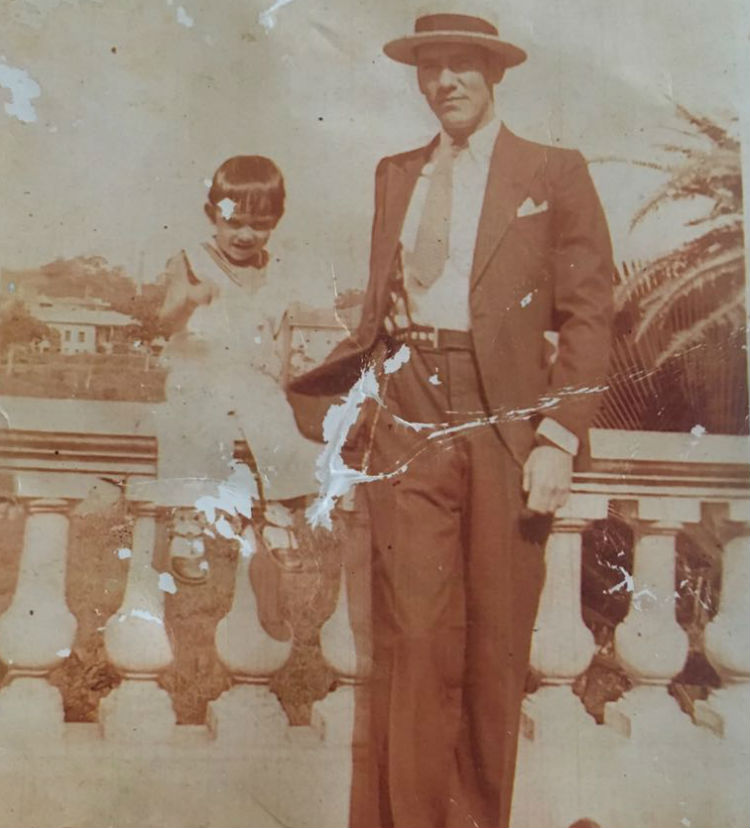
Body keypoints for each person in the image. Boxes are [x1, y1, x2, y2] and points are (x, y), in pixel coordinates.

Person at [288, 4, 615, 827]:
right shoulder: (398, 172)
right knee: (417, 642)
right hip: (410, 415)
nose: (445, 82)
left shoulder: (553, 172)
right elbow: (380, 301)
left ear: (495, 72)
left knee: (495, 648)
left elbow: (588, 314)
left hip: (509, 423)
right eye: (431, 67)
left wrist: (561, 436)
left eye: (462, 64)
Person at [156, 155, 321, 582]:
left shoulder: (275, 273)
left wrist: (279, 388)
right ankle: (188, 522)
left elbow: (281, 335)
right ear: (213, 215)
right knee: (193, 422)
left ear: (276, 221)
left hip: (249, 376)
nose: (246, 234)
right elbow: (165, 319)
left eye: (260, 224)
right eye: (234, 222)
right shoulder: (192, 261)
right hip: (199, 367)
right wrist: (189, 299)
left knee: (275, 420)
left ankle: (279, 516)